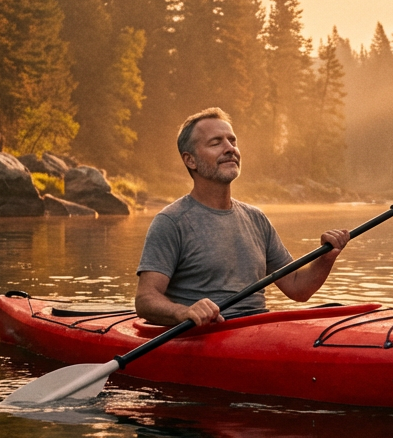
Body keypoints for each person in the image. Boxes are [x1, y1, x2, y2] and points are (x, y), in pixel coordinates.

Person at [135, 108, 349, 326]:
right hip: (203, 336)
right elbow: (145, 300)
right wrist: (183, 312)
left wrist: (327, 256)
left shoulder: (256, 219)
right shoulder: (171, 222)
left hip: (257, 331)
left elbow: (298, 288)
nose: (230, 149)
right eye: (216, 143)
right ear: (191, 160)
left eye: (232, 141)